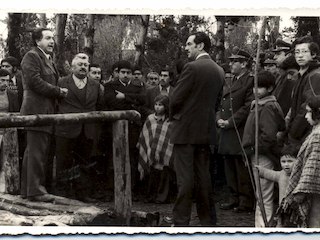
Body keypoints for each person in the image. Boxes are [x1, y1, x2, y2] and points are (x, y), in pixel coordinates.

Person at [169, 32, 224, 226]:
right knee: (204, 180)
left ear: (200, 46)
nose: (186, 48)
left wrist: (173, 117)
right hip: (206, 133)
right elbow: (217, 103)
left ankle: (180, 222)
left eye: (189, 44)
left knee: (185, 180)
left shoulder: (192, 68)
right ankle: (208, 221)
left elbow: (175, 99)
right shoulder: (219, 71)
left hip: (185, 132)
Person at [20, 27, 68, 202]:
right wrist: (58, 91)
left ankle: (29, 190)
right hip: (36, 111)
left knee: (35, 151)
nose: (51, 42)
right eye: (47, 38)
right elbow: (34, 82)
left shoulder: (49, 59)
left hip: (46, 111)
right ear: (37, 41)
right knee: (36, 152)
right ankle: (35, 190)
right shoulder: (32, 56)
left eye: (52, 38)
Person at [55, 53, 104, 202]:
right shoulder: (61, 82)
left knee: (85, 163)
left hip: (87, 130)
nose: (83, 67)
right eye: (80, 64)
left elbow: (99, 106)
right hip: (66, 130)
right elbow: (56, 105)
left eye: (85, 65)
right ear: (72, 67)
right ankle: (63, 195)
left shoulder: (96, 85)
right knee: (64, 162)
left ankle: (83, 194)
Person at [242, 70, 286, 227]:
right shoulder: (259, 104)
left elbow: (268, 136)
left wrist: (253, 150)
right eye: (254, 87)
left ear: (269, 88)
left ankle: (263, 228)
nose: (256, 90)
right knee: (260, 194)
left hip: (263, 155)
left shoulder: (267, 107)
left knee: (263, 195)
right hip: (257, 153)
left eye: (260, 87)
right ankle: (261, 226)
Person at [217, 48, 254, 213]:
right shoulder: (230, 80)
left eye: (235, 61)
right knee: (229, 166)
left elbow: (247, 107)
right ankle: (233, 198)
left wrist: (230, 122)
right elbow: (220, 103)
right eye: (231, 61)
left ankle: (245, 201)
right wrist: (218, 118)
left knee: (241, 167)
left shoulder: (250, 81)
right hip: (226, 129)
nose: (231, 64)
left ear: (244, 64)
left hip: (240, 130)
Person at [103, 60, 146, 199]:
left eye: (129, 73)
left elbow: (143, 101)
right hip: (114, 127)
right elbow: (111, 102)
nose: (126, 75)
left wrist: (125, 97)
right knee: (112, 157)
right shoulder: (109, 86)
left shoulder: (138, 87)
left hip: (133, 128)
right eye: (123, 72)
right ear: (118, 73)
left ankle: (130, 190)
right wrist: (132, 103)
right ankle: (111, 190)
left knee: (131, 158)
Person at [279, 95, 320, 227]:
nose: (306, 116)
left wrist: (300, 191)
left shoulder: (317, 136)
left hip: (313, 191)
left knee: (314, 223)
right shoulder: (315, 132)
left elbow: (312, 167)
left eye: (309, 112)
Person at [284, 36, 320, 154]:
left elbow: (307, 106)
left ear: (313, 55)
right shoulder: (302, 75)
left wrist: (293, 133)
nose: (300, 55)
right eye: (297, 52)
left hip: (305, 135)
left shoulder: (314, 75)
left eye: (304, 52)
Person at [137, 94, 175, 204]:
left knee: (164, 174)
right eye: (156, 105)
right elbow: (145, 135)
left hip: (164, 155)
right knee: (153, 174)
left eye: (160, 105)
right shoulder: (150, 119)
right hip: (152, 152)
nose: (157, 107)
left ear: (166, 106)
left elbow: (169, 138)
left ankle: (162, 197)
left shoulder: (170, 121)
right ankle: (151, 195)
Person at [255, 146, 297, 227]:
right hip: (283, 209)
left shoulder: (300, 175)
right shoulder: (281, 174)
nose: (286, 164)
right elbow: (270, 174)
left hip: (296, 208)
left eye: (290, 161)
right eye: (283, 162)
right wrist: (260, 170)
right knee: (281, 224)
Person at [272, 39, 297, 116]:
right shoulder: (281, 74)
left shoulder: (292, 75)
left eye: (278, 54)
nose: (274, 57)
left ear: (289, 55)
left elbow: (284, 104)